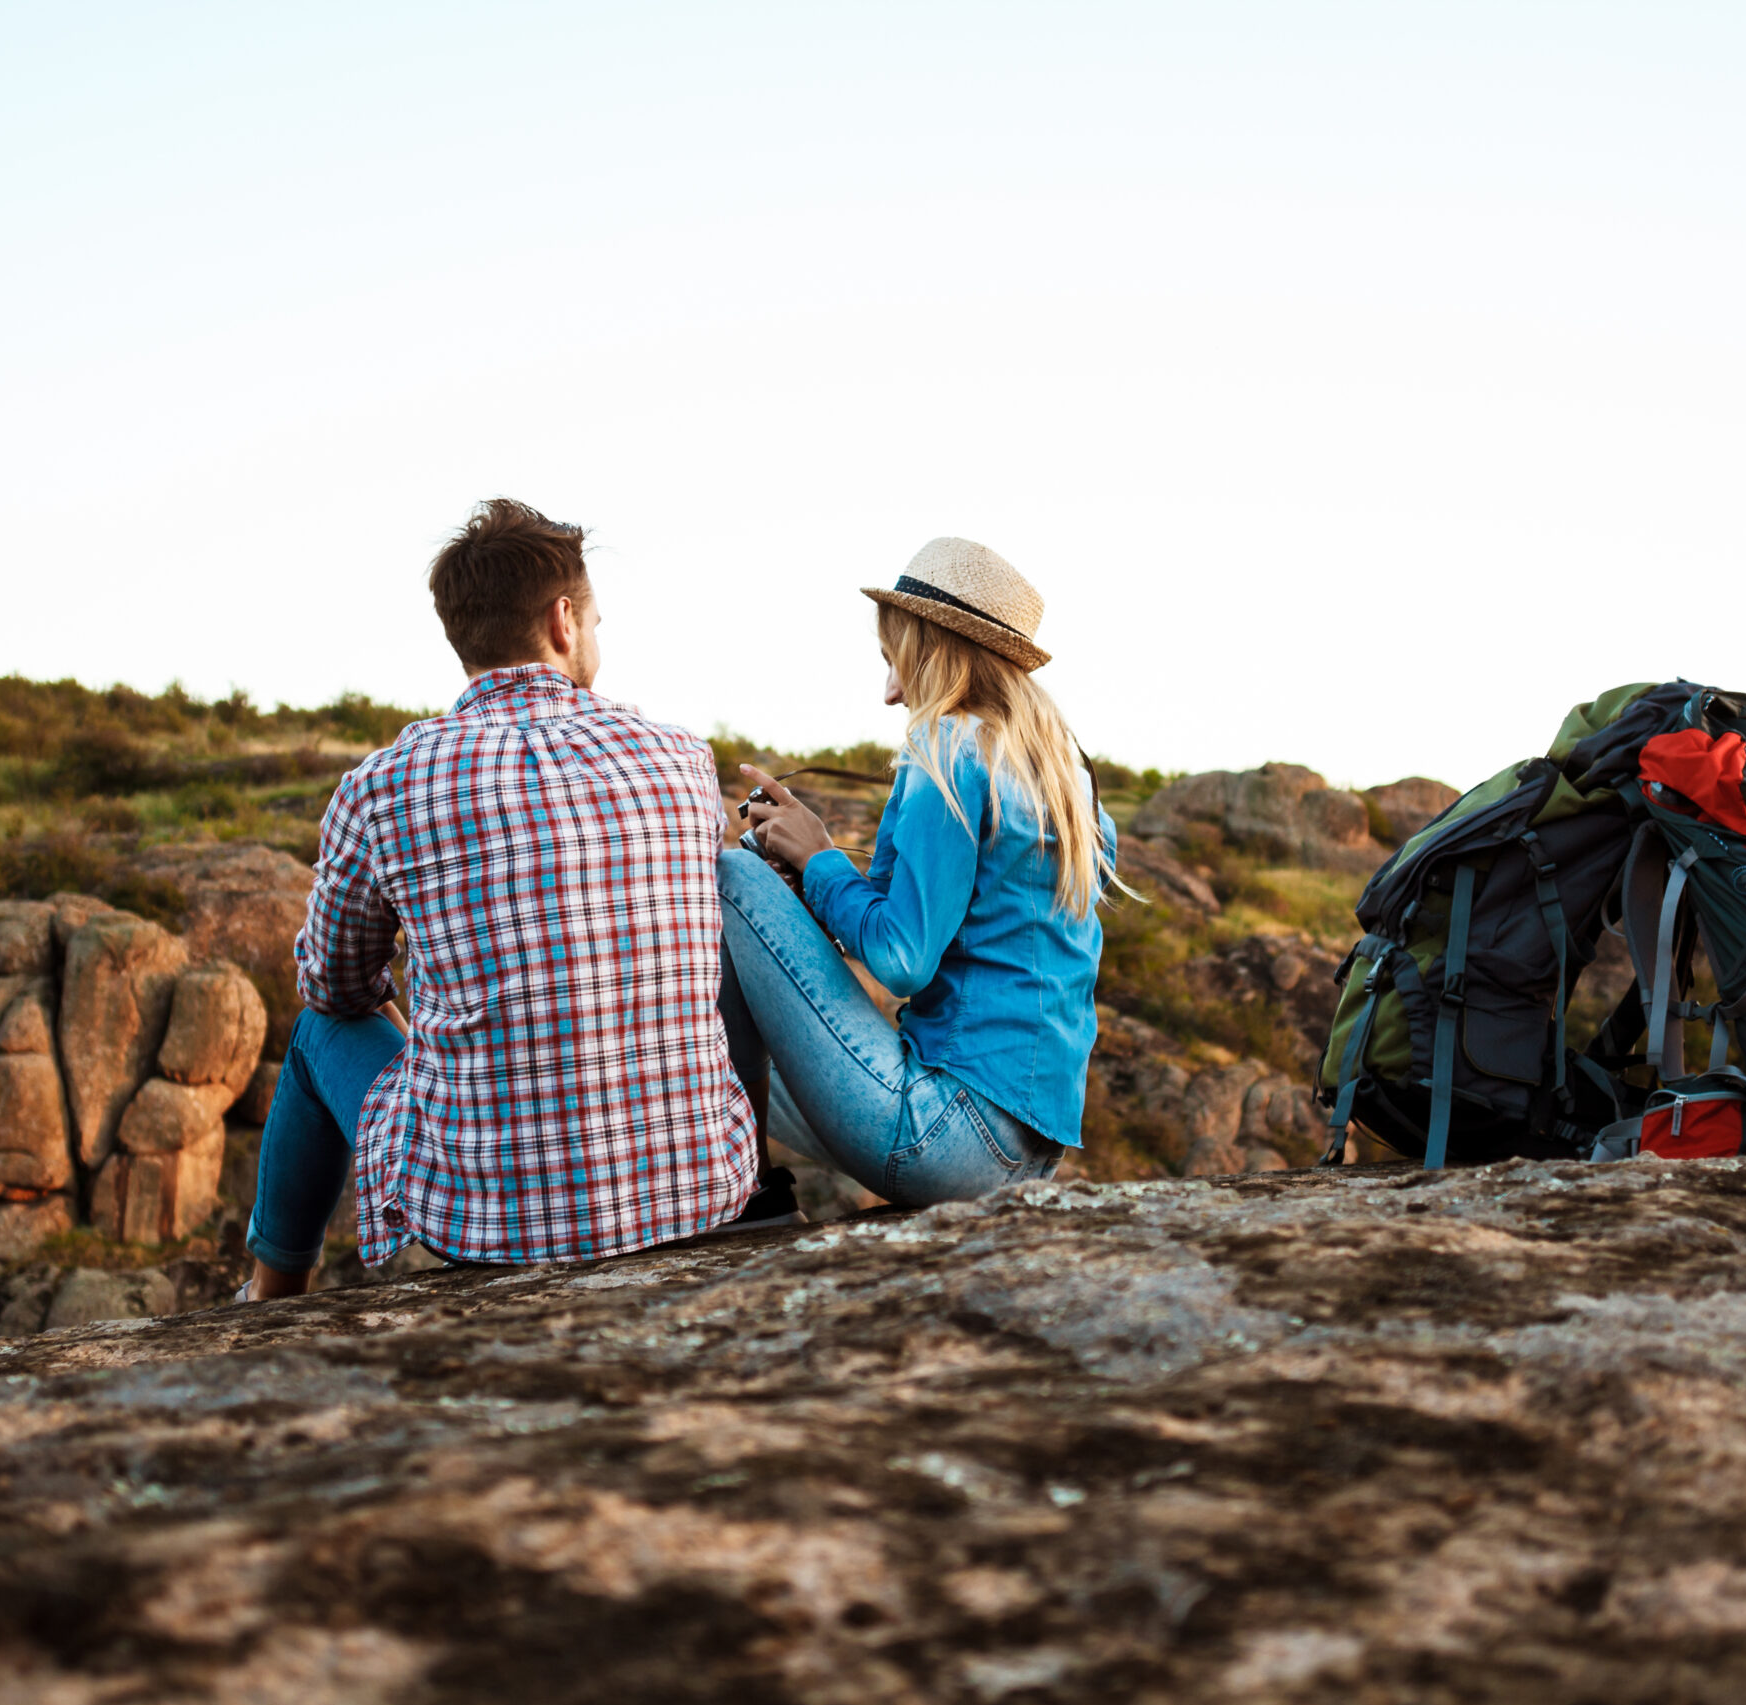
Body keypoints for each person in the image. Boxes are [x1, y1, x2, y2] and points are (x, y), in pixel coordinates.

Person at [240, 499, 754, 1300]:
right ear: (563, 621)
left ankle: (267, 1300)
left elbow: (335, 988)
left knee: (314, 1033)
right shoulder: (682, 760)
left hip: (492, 1228)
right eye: (595, 619)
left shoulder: (383, 786)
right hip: (698, 1199)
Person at [723, 537, 1118, 1207]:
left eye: (894, 660)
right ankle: (739, 1169)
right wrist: (807, 875)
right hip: (1020, 1153)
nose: (890, 692)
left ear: (935, 651)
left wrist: (817, 855)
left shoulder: (950, 746)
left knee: (733, 878)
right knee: (714, 1079)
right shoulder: (1067, 779)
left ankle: (746, 1189)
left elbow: (902, 958)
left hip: (945, 1135)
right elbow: (904, 923)